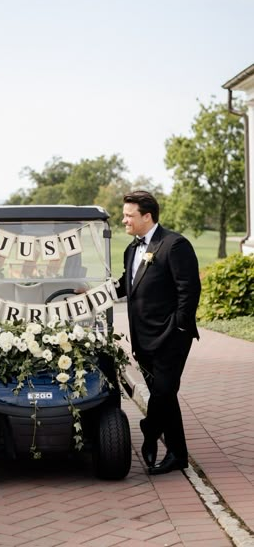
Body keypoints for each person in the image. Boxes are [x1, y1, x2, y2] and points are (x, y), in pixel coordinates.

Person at [117, 191, 201, 475]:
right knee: (164, 397)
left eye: (129, 215)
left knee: (163, 391)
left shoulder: (174, 245)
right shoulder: (131, 250)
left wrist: (179, 327)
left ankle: (149, 430)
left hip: (171, 337)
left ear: (147, 216)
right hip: (143, 339)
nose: (124, 219)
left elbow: (189, 291)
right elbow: (125, 285)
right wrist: (90, 292)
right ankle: (178, 454)